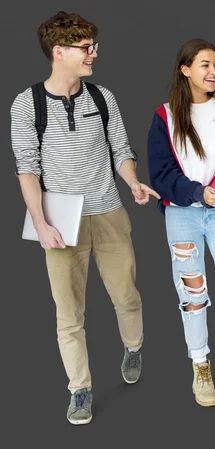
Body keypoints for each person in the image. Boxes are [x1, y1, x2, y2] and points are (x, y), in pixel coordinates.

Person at [10, 11, 158, 425]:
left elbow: (120, 150)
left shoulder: (102, 98)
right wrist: (39, 222)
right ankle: (80, 389)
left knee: (126, 295)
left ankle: (133, 346)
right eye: (85, 47)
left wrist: (132, 182)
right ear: (59, 53)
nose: (93, 53)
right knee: (68, 313)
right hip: (60, 221)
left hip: (108, 211)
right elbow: (27, 168)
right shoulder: (28, 103)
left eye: (93, 45)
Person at [147, 38, 215, 407]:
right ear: (185, 69)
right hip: (182, 214)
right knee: (191, 295)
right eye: (205, 65)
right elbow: (160, 173)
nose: (213, 72)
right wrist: (196, 192)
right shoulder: (166, 116)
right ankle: (200, 365)